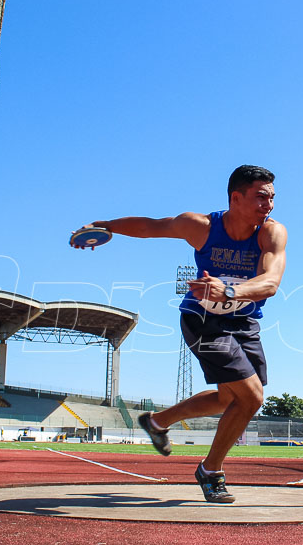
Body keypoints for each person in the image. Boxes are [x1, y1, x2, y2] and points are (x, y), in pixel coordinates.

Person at [75, 165, 286, 503]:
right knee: (252, 397)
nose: (269, 205)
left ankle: (158, 422)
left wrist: (230, 292)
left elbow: (271, 282)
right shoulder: (200, 226)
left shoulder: (271, 233)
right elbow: (150, 227)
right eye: (261, 197)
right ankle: (210, 470)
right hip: (202, 320)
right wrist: (106, 226)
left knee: (229, 400)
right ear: (236, 197)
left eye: (272, 198)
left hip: (244, 322)